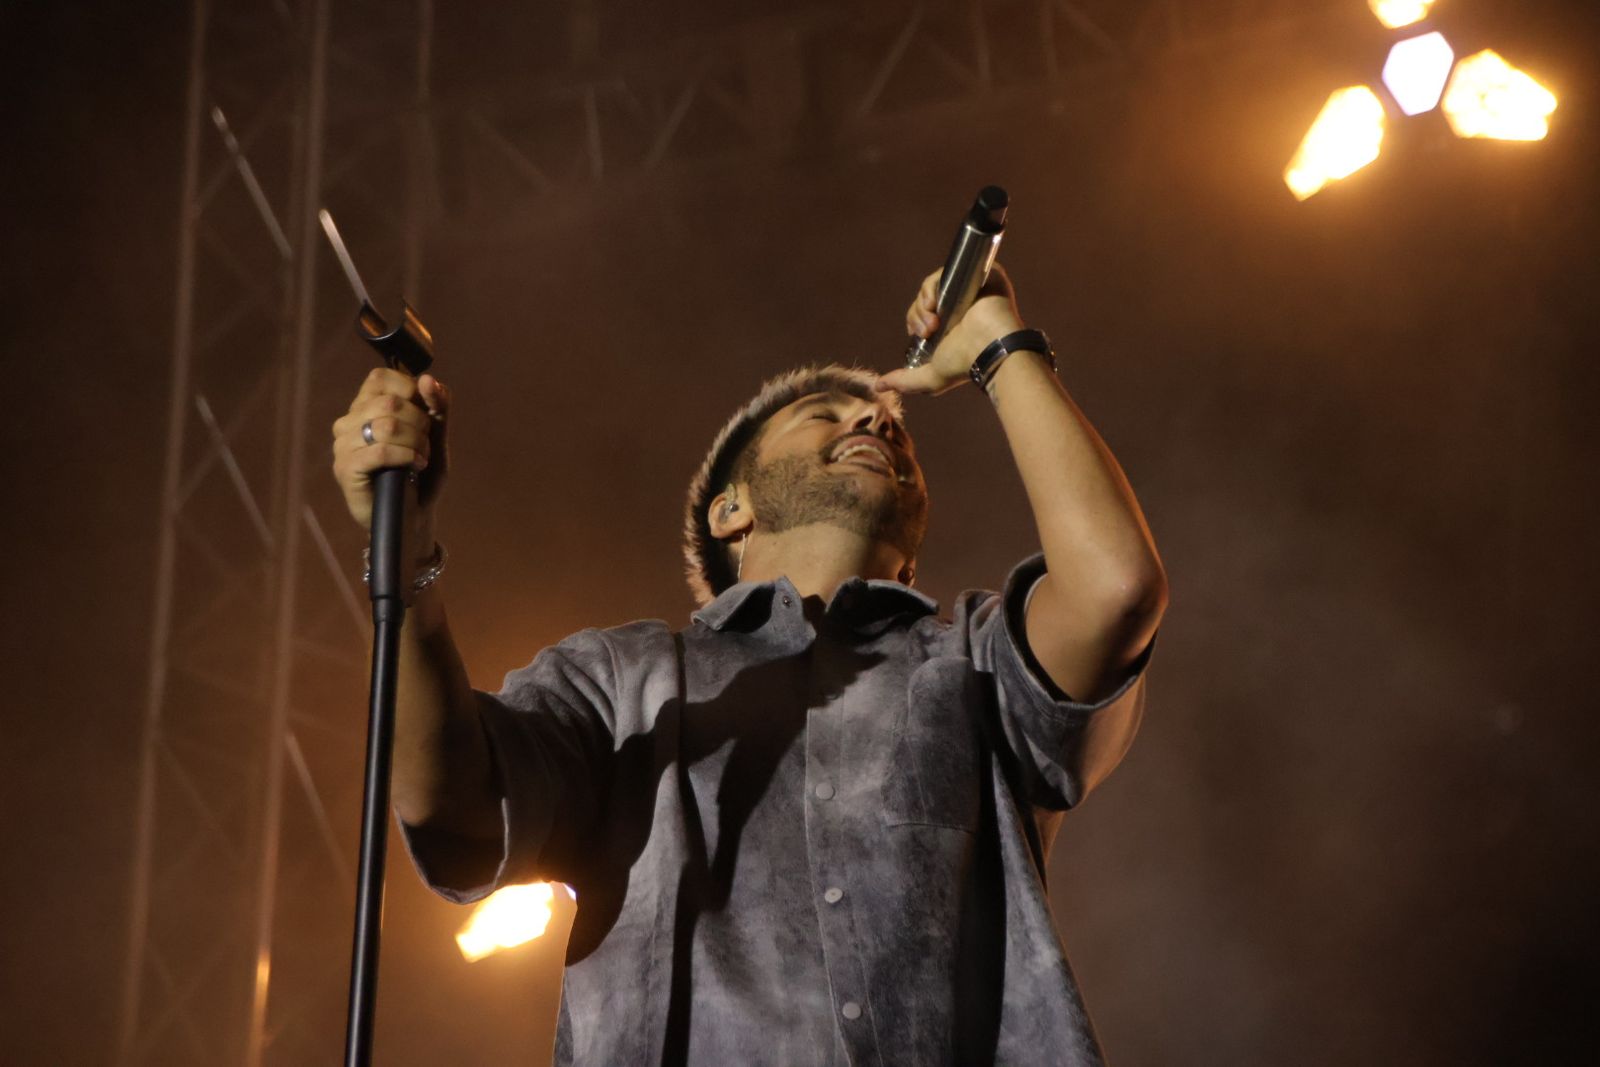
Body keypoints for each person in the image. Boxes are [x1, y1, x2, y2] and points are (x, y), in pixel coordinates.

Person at [330, 263, 1167, 1066]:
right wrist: (400, 556)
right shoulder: (625, 677)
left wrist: (997, 340)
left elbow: (1117, 586)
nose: (878, 421)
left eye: (893, 426)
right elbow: (456, 810)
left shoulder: (975, 664)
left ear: (912, 553)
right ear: (733, 509)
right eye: (824, 414)